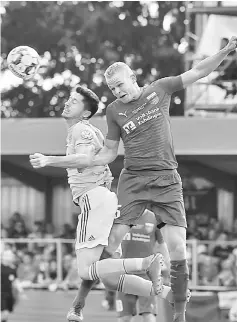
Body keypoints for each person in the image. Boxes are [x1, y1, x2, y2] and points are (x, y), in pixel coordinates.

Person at [46, 36, 237, 322]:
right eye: (112, 88)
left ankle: (179, 317)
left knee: (178, 247)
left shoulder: (159, 89)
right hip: (133, 180)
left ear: (133, 78)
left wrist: (224, 51)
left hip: (167, 179)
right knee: (110, 244)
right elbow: (110, 152)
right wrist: (82, 161)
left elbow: (198, 72)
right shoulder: (113, 111)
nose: (117, 91)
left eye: (120, 84)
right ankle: (78, 305)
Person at [29, 86, 178, 322]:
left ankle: (147, 263)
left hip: (94, 199)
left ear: (85, 114)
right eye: (69, 98)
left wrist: (48, 159)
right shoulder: (84, 130)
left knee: (85, 270)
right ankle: (167, 292)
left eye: (75, 101)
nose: (68, 103)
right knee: (109, 277)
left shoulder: (81, 129)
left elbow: (85, 159)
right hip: (104, 201)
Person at [116, 209, 171, 322]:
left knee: (149, 316)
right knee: (125, 318)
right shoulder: (121, 215)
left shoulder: (154, 218)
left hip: (147, 276)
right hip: (125, 276)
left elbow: (161, 245)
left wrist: (171, 267)